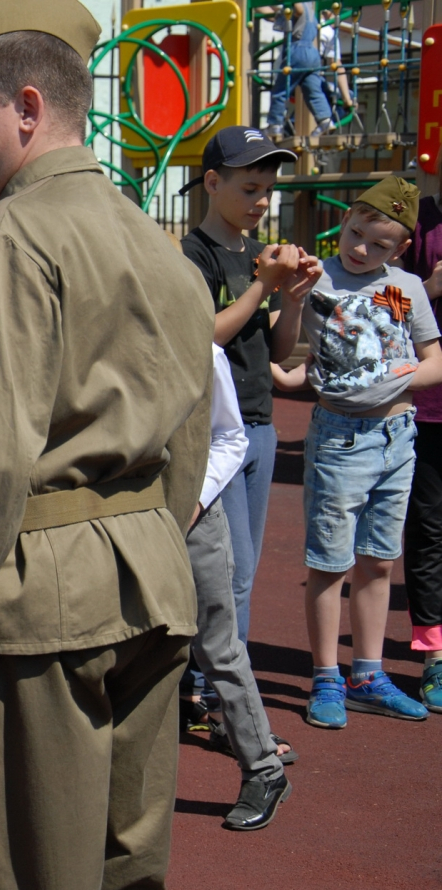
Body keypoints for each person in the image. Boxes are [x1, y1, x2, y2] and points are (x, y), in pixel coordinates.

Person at [0, 2, 216, 890]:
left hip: (36, 608)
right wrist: (148, 538)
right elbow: (190, 433)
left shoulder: (13, 241)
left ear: (26, 108)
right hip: (150, 582)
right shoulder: (154, 241)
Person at [274, 178, 441, 728]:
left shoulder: (407, 287)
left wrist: (384, 380)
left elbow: (434, 359)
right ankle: (326, 675)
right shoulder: (317, 275)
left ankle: (367, 675)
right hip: (340, 438)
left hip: (398, 437)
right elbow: (283, 345)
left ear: (402, 248)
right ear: (344, 220)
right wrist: (292, 301)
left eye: (380, 244)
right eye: (357, 234)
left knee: (380, 560)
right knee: (330, 562)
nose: (362, 249)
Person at [180, 126, 320, 646]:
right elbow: (204, 336)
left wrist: (294, 297)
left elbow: (278, 350)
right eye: (249, 188)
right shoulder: (193, 255)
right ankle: (220, 682)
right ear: (213, 183)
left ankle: (216, 675)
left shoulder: (262, 254)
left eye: (268, 190)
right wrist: (264, 284)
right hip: (216, 431)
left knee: (245, 569)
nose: (261, 201)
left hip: (260, 424)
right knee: (228, 569)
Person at [187, 344, 295, 832]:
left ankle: (264, 770)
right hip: (124, 520)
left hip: (192, 517)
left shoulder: (202, 350)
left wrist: (194, 500)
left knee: (217, 645)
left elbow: (231, 437)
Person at [400, 184, 442, 712]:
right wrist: (430, 287)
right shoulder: (416, 220)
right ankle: (435, 656)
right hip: (429, 409)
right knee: (430, 531)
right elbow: (380, 305)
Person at [264, 2, 333, 137]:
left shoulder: (300, 7)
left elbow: (299, 10)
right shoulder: (311, 9)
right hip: (313, 53)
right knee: (313, 90)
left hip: (298, 50)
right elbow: (271, 15)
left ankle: (275, 124)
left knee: (280, 90)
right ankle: (325, 120)